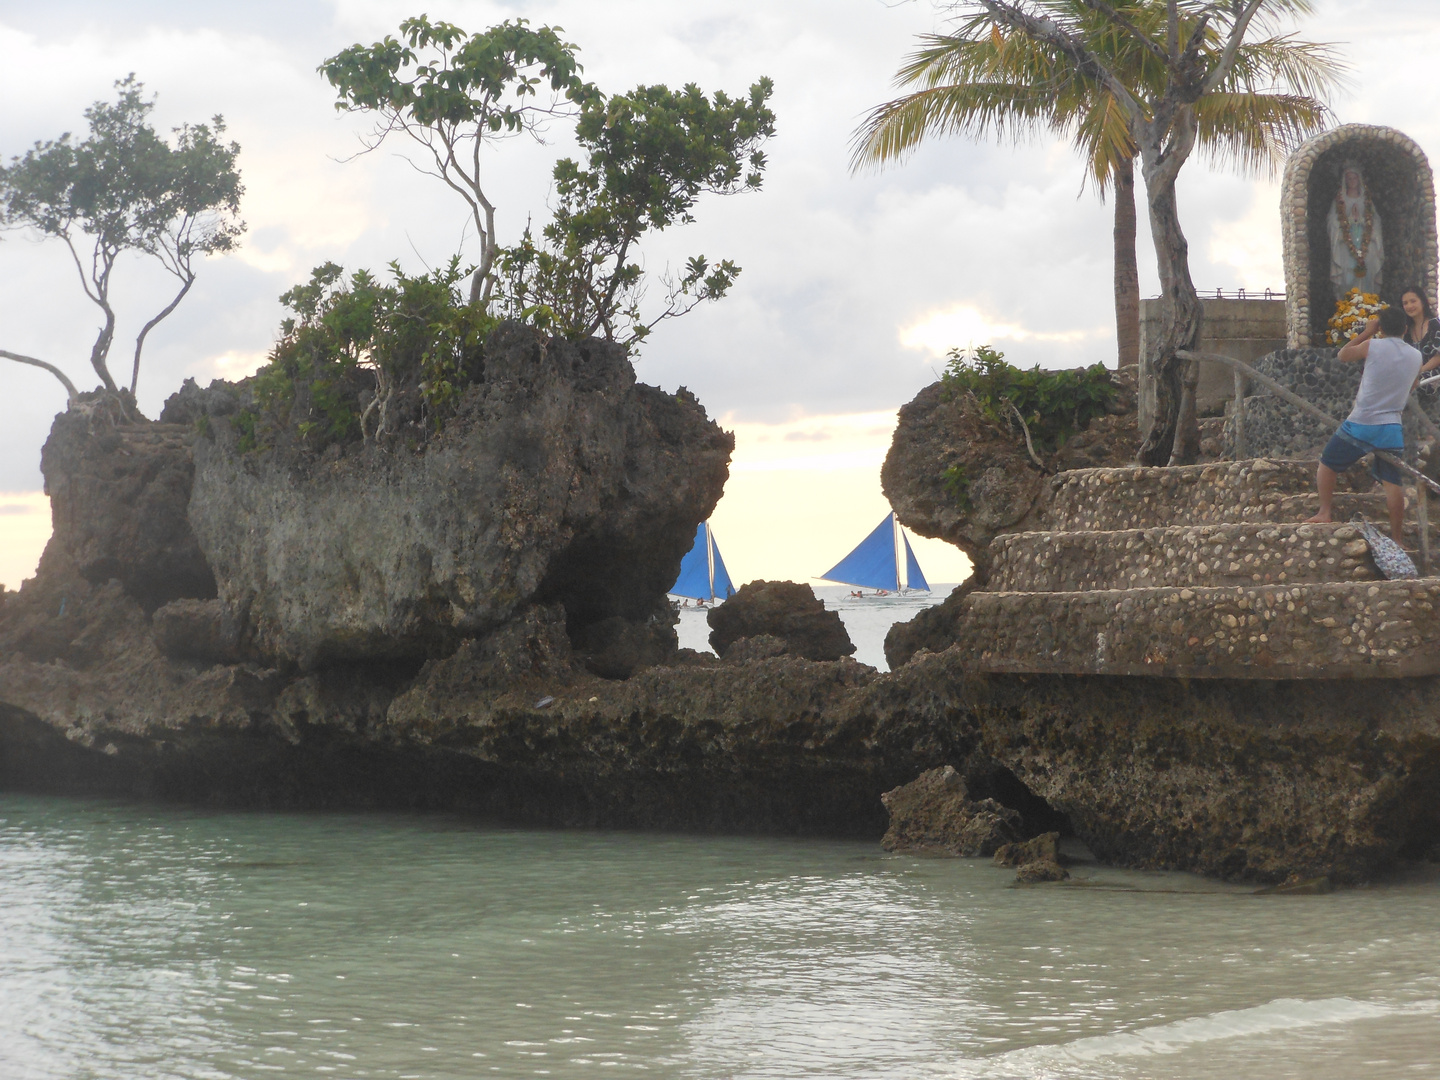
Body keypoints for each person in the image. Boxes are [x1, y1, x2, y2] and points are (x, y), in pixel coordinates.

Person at [1305, 304, 1421, 540]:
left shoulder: (1373, 345)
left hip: (1362, 421)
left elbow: (1343, 354)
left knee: (1327, 464)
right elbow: (1413, 385)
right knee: (1392, 481)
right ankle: (1397, 538)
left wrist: (1368, 332)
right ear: (1405, 328)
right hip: (1391, 426)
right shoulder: (1416, 355)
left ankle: (1325, 511)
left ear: (1381, 327)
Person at [1327, 162, 1384, 297]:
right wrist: (1349, 222)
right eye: (1349, 178)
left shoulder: (1367, 201)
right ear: (1345, 180)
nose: (1352, 181)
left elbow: (1376, 221)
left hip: (1366, 243)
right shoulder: (1340, 200)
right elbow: (1331, 221)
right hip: (1346, 245)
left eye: (1354, 178)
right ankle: (1346, 306)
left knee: (1367, 272)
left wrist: (1362, 221)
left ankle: (1368, 302)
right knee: (1348, 275)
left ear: (1359, 179)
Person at [1401, 285, 1440, 378]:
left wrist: (1419, 372)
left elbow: (1438, 356)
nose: (1409, 306)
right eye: (1405, 303)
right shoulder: (1406, 330)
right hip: (1414, 377)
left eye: (1413, 301)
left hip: (1434, 377)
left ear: (1422, 302)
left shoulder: (1435, 324)